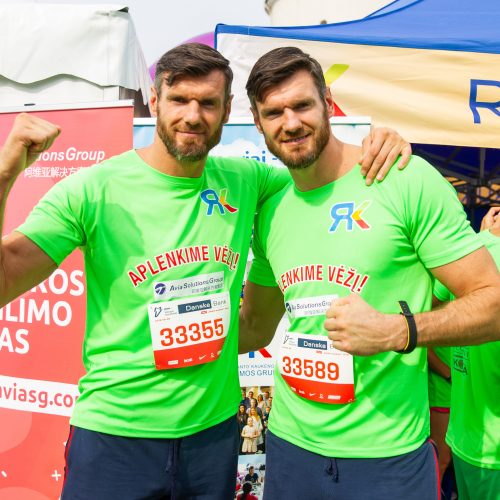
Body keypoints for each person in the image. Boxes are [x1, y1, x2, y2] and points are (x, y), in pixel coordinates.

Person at [0, 43, 410, 499]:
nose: (193, 116)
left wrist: (379, 143)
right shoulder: (91, 189)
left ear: (228, 110)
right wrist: (3, 174)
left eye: (208, 103)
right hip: (117, 436)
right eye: (179, 100)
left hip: (212, 438)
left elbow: (322, 171)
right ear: (155, 101)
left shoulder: (248, 180)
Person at [239, 47, 500, 499]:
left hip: (388, 461)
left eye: (302, 105)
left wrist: (398, 331)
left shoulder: (402, 178)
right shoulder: (270, 207)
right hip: (290, 452)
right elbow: (256, 327)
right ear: (257, 121)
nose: (291, 122)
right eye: (274, 112)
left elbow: (493, 303)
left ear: (328, 100)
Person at [433, 206, 500, 500]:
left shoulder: (469, 249)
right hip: (489, 447)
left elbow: (429, 312)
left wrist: (482, 240)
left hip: (464, 438)